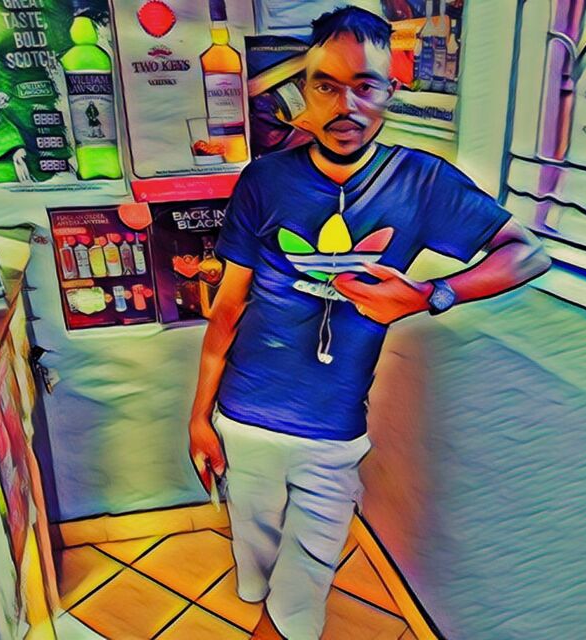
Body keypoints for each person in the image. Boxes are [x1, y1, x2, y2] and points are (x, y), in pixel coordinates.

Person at [188, 7, 550, 640]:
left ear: (391, 90)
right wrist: (200, 416)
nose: (345, 105)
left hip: (334, 432)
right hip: (244, 416)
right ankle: (258, 593)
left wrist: (429, 295)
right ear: (305, 90)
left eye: (365, 86)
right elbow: (228, 308)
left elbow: (528, 253)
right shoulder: (265, 180)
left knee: (303, 587)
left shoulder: (421, 182)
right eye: (326, 85)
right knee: (255, 549)